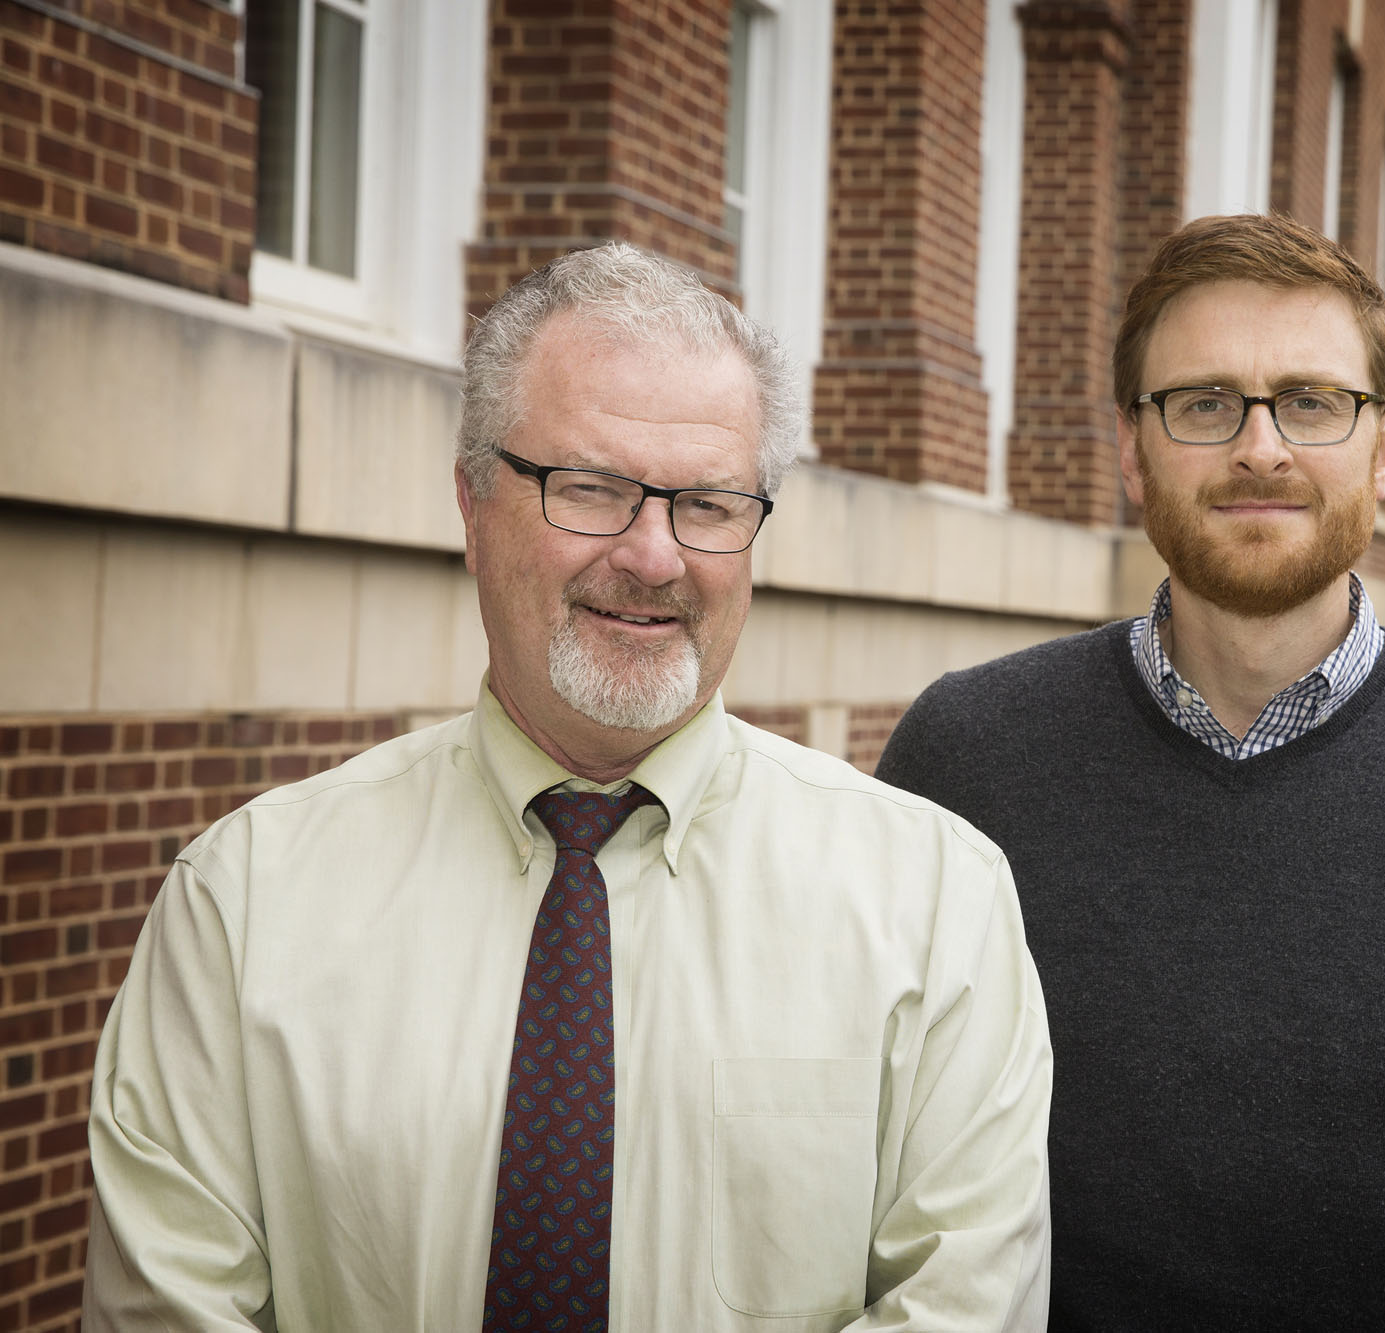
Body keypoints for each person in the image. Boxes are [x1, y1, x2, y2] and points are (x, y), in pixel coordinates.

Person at [84, 242, 1052, 1332]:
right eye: (589, 489)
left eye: (710, 504)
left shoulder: (935, 906)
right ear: (471, 503)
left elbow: (963, 1308)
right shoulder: (244, 904)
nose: (653, 554)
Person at [875, 213, 1385, 1330]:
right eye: (1203, 402)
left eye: (1311, 402)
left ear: (1384, 446)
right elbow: (860, 1174)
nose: (1259, 448)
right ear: (1132, 445)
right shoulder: (964, 756)